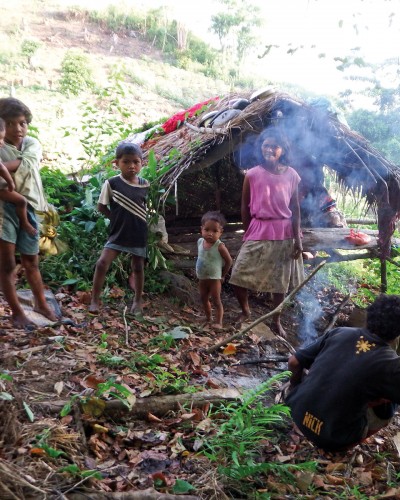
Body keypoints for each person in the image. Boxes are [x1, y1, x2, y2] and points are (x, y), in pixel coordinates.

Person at [286, 294, 400, 453]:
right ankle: (347, 445)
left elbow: (294, 362)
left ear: (370, 314)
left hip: (294, 410)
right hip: (330, 438)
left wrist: (294, 386)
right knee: (390, 407)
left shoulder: (339, 332)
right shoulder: (391, 363)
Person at [229, 127, 303, 337]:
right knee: (238, 274)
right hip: (259, 228)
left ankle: (275, 320)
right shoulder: (252, 174)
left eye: (275, 146)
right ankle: (246, 311)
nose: (270, 149)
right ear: (261, 147)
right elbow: (244, 207)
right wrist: (248, 229)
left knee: (280, 282)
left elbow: (295, 208)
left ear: (282, 149)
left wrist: (298, 239)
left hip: (285, 231)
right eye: (266, 145)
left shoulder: (291, 175)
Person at [0, 97, 59, 328]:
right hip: (4, 209)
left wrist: (3, 165)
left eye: (22, 123)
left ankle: (41, 304)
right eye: (11, 124)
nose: (18, 129)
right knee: (6, 265)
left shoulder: (31, 143)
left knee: (31, 260)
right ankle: (16, 312)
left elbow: (29, 163)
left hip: (30, 206)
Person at [89, 142, 149, 315]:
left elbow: (145, 208)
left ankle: (137, 300)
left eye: (136, 162)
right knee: (102, 263)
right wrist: (115, 219)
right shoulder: (112, 183)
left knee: (138, 267)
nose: (131, 166)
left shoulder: (145, 184)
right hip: (118, 233)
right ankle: (94, 300)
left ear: (141, 163)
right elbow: (101, 206)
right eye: (126, 162)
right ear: (117, 163)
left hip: (139, 233)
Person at [0, 118, 37, 236]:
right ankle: (25, 223)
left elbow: (2, 168)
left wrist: (10, 182)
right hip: (1, 189)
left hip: (3, 186)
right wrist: (10, 183)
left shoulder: (31, 143)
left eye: (2, 138)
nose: (1, 143)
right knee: (21, 201)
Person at [196, 211, 233, 329]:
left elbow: (229, 261)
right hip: (202, 278)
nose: (210, 234)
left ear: (220, 232)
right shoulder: (200, 242)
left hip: (214, 279)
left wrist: (223, 275)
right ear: (201, 229)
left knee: (216, 300)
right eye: (207, 230)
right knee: (203, 298)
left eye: (214, 231)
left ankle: (219, 322)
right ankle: (208, 317)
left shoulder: (219, 246)